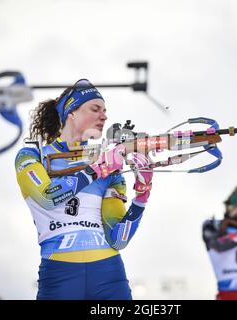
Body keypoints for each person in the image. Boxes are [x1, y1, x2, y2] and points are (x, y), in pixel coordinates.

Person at [14, 79, 153, 300]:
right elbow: (48, 197)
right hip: (59, 275)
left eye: (105, 111)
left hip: (109, 273)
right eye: (95, 109)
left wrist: (142, 195)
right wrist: (97, 169)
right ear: (72, 113)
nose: (104, 116)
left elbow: (118, 240)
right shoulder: (33, 155)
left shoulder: (108, 164)